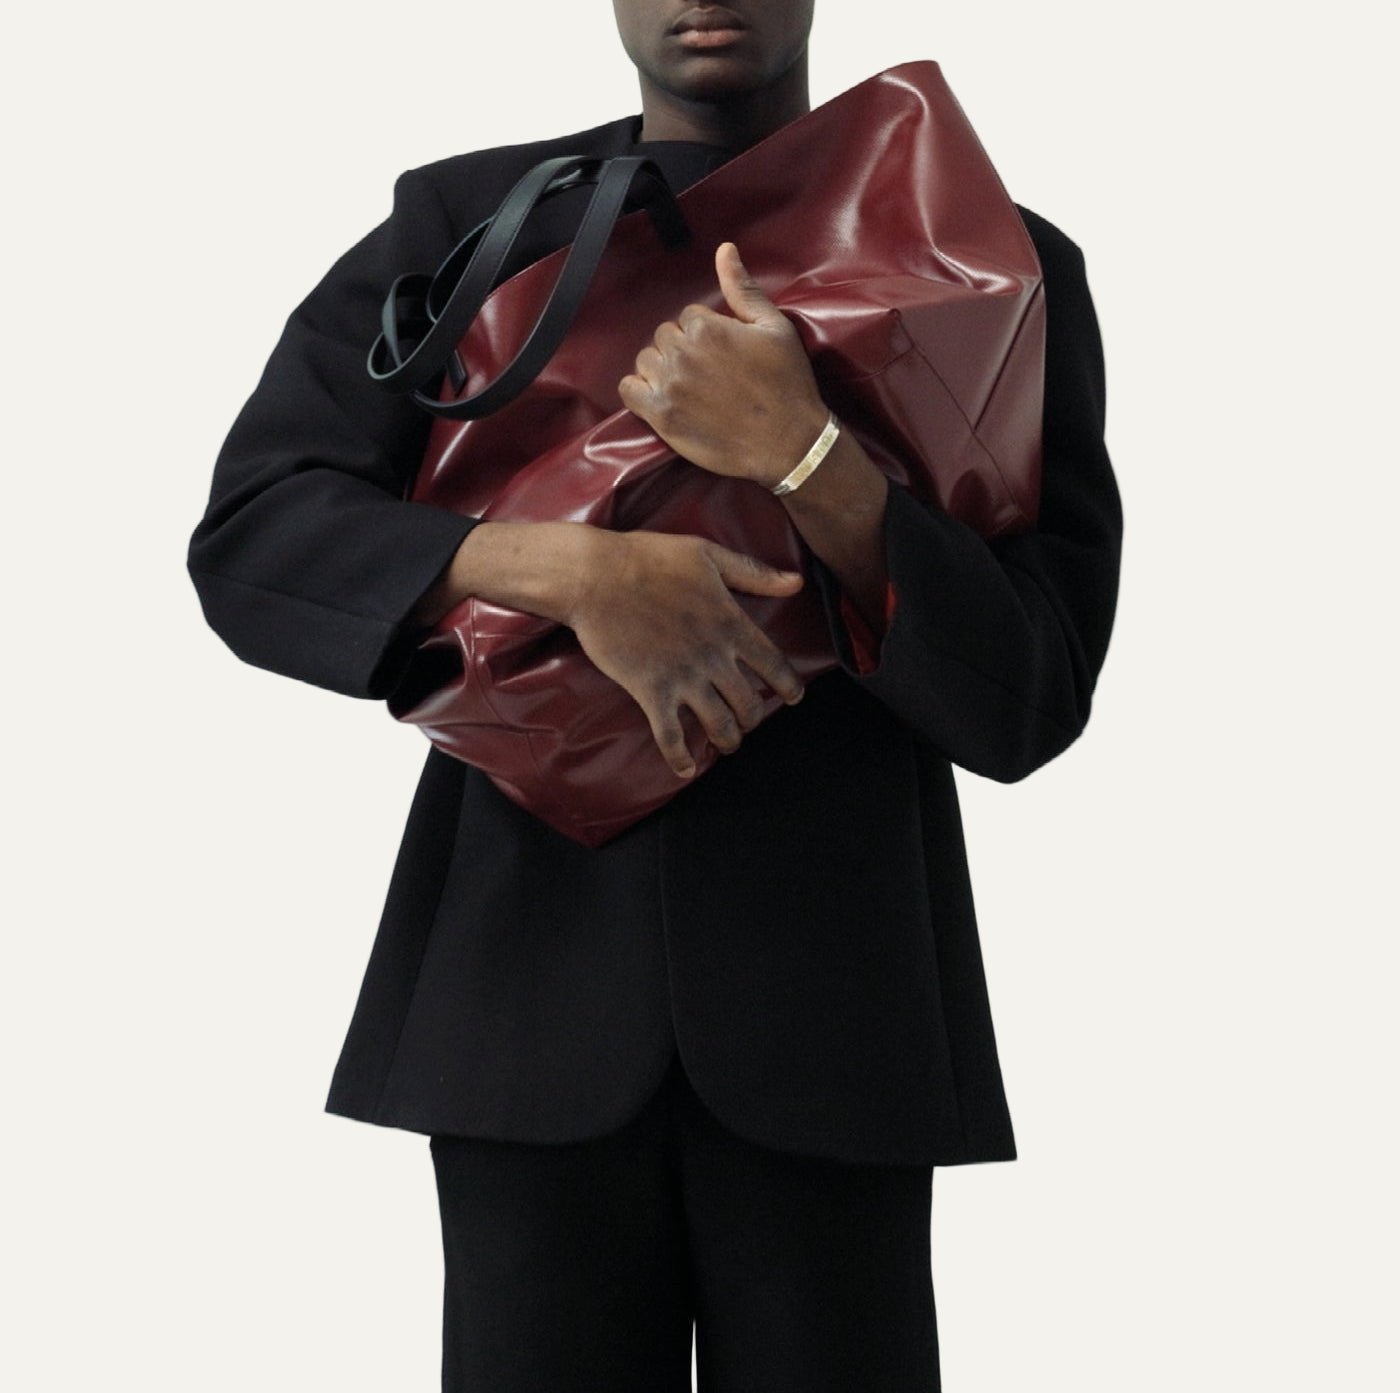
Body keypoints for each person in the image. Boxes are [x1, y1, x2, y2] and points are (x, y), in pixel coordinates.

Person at [189, 2, 1122, 1389]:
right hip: (520, 1004)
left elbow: (1030, 690)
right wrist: (570, 571)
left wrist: (811, 458)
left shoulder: (983, 254)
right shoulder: (470, 226)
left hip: (839, 1017)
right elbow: (256, 538)